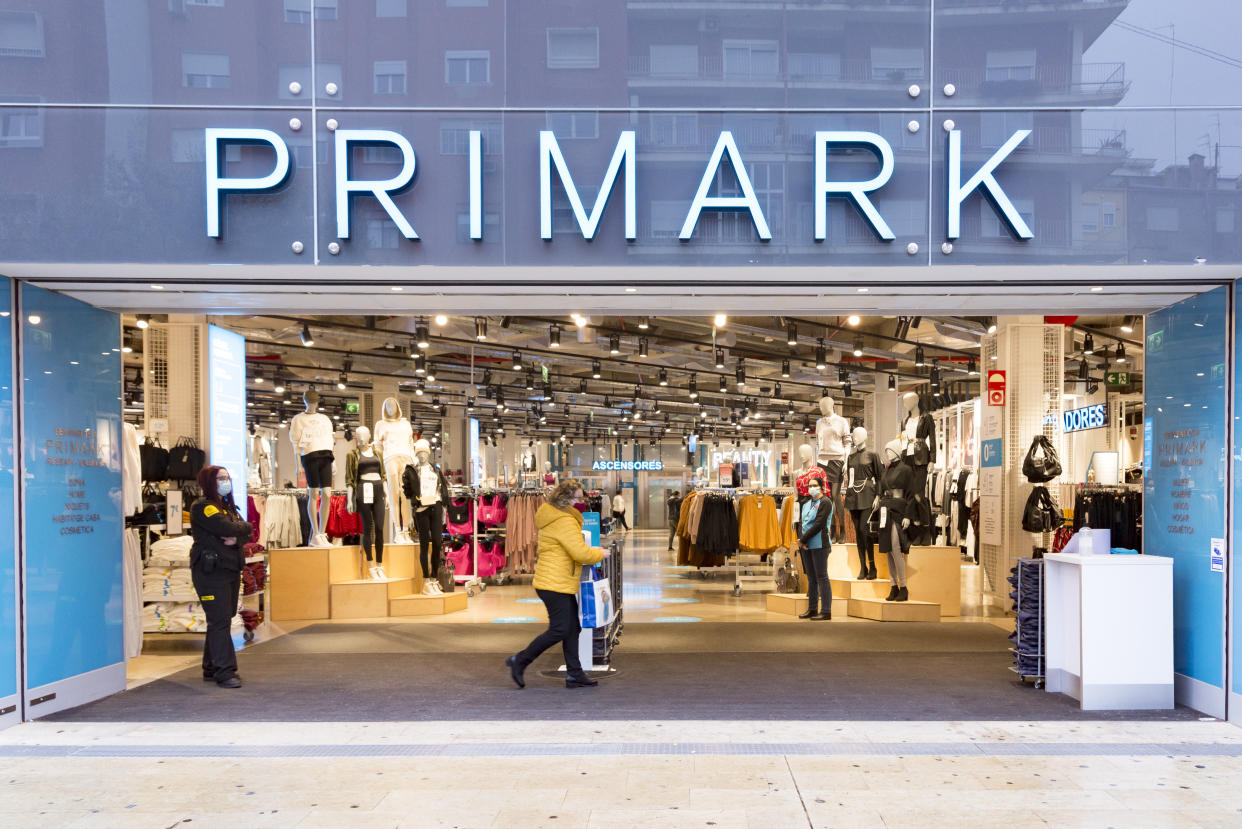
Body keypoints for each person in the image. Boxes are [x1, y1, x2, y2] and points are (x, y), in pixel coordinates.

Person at [506, 479, 609, 689]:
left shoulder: (554, 515)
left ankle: (574, 674)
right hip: (554, 583)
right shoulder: (564, 520)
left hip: (557, 581)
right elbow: (580, 552)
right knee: (560, 629)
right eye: (578, 498)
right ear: (566, 499)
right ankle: (520, 660)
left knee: (572, 629)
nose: (582, 501)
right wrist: (600, 553)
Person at [190, 465, 253, 688]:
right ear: (208, 482)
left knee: (221, 620)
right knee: (219, 621)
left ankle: (210, 668)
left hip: (229, 569)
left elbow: (247, 531)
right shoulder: (203, 507)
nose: (225, 481)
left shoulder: (227, 507)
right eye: (220, 478)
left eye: (227, 477)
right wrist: (238, 530)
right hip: (211, 572)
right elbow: (224, 527)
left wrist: (237, 537)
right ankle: (225, 672)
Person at [797, 480, 833, 621]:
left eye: (814, 486)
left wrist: (803, 539)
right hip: (806, 545)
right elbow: (801, 523)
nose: (812, 488)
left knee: (822, 577)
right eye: (810, 486)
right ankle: (812, 609)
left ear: (821, 487)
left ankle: (826, 611)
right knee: (811, 579)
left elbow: (819, 524)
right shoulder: (806, 504)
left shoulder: (825, 502)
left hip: (820, 544)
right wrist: (801, 540)